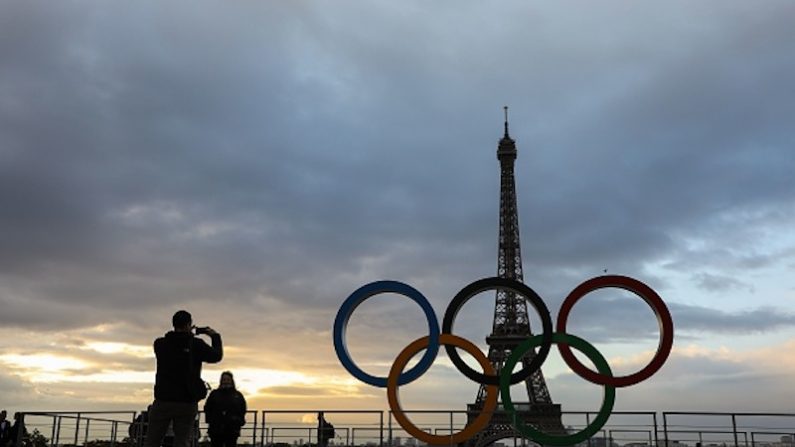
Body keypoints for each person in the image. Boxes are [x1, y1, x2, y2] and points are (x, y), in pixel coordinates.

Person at [144, 310, 223, 447]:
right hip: (187, 401)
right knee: (182, 440)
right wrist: (214, 336)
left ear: (173, 324)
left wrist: (187, 336)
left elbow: (176, 345)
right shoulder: (196, 344)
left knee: (153, 440)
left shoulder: (160, 344)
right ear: (189, 324)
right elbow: (216, 356)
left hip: (163, 400)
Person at [204, 371, 247, 447]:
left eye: (228, 379)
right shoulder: (214, 394)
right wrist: (211, 420)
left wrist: (238, 420)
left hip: (232, 428)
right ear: (221, 381)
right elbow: (207, 408)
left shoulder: (238, 395)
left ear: (231, 381)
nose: (226, 382)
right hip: (216, 428)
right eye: (224, 379)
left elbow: (242, 409)